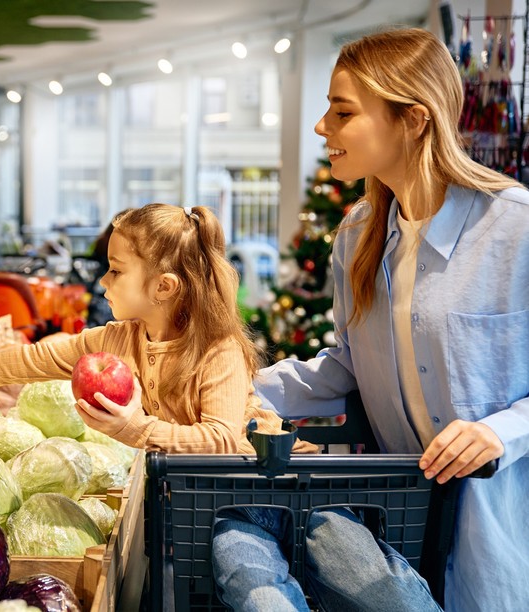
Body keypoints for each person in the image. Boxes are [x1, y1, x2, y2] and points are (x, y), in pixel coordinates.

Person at [214, 28, 529, 611]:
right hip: (400, 533)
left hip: (502, 535)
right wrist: (221, 389)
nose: (321, 128)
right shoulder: (358, 234)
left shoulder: (514, 228)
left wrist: (498, 431)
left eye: (342, 111)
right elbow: (347, 366)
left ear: (412, 119)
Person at [0, 203, 299, 454]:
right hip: (209, 498)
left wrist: (133, 429)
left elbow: (222, 441)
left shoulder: (217, 349)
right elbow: (29, 360)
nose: (103, 281)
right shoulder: (117, 340)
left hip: (273, 484)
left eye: (116, 271)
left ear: (164, 287)